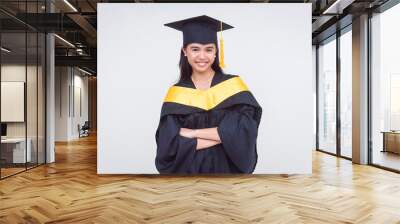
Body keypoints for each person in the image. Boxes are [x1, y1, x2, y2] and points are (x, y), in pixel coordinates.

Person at [155, 15, 262, 174]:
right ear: (185, 51)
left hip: (226, 173)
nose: (202, 56)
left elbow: (244, 133)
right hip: (188, 174)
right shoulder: (176, 93)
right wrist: (223, 136)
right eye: (195, 49)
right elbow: (168, 144)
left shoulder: (233, 87)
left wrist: (193, 133)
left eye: (209, 49)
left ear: (216, 52)